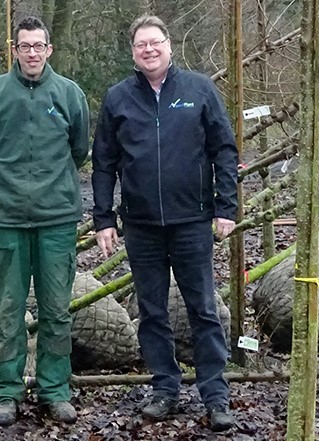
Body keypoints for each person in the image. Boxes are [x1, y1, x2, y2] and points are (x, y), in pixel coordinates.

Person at [90, 14, 238, 432]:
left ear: (169, 46)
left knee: (204, 309)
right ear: (133, 52)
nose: (149, 50)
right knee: (152, 311)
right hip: (141, 226)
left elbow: (223, 149)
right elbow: (103, 164)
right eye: (141, 45)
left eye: (155, 43)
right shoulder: (118, 98)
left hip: (192, 220)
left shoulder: (198, 90)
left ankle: (215, 394)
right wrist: (104, 219)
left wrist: (226, 206)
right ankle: (165, 389)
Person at [0, 15, 89, 427]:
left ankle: (55, 390)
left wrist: (50, 188)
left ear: (49, 49)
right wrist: (7, 185)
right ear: (14, 49)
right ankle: (7, 391)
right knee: (8, 310)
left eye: (39, 46)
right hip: (6, 220)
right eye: (25, 46)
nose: (32, 53)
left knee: (56, 310)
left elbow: (79, 150)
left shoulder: (69, 94)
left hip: (57, 219)